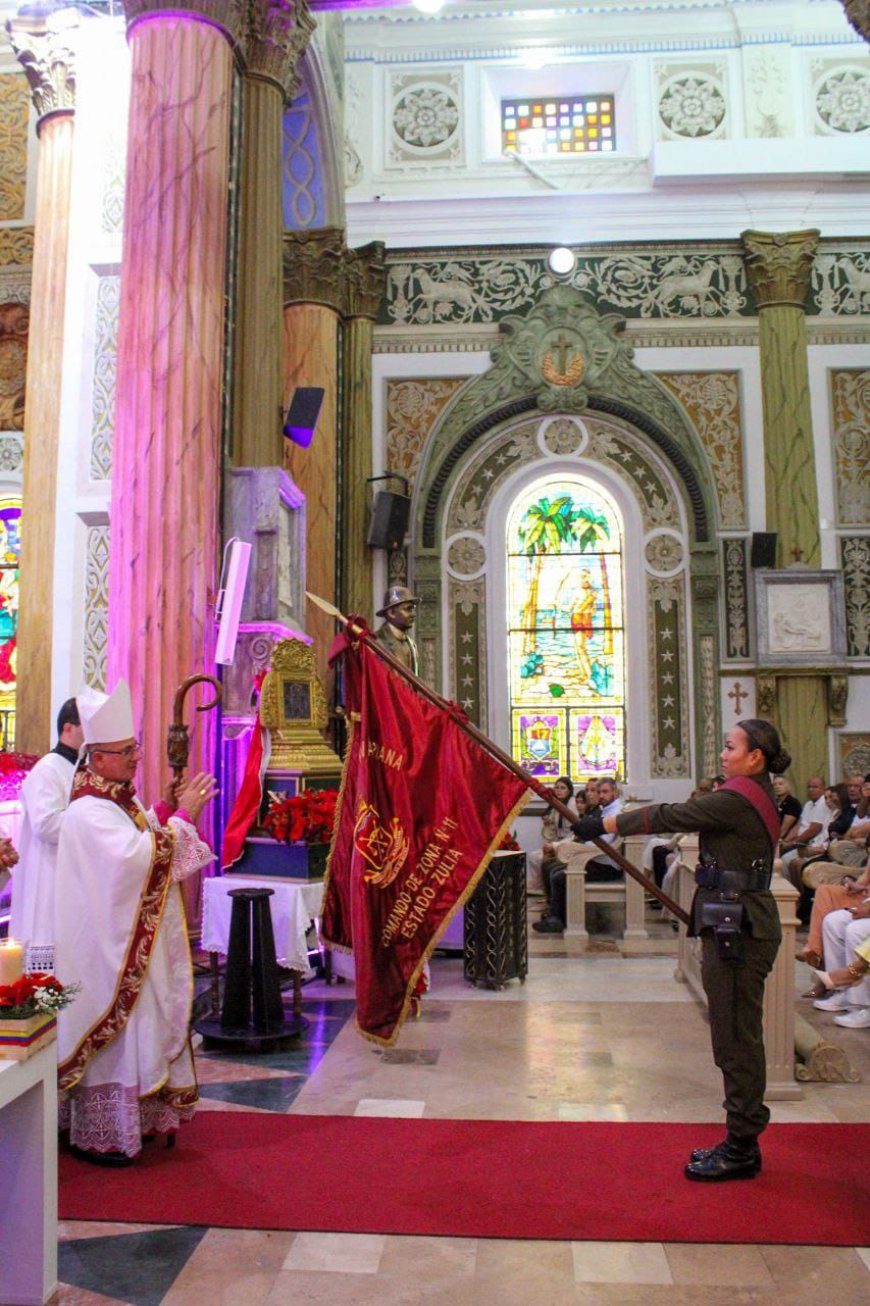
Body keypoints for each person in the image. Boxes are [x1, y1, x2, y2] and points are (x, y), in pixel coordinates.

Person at [573, 719, 788, 1182]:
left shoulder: (736, 798)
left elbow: (670, 814)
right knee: (735, 1033)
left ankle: (742, 1146)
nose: (724, 755)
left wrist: (605, 823)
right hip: (737, 919)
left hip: (741, 928)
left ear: (756, 757)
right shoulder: (753, 793)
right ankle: (741, 1136)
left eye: (731, 747)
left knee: (735, 1037)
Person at [55, 679, 218, 1166]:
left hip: (126, 945)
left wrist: (167, 810)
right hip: (107, 953)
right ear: (96, 758)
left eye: (134, 749)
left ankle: (138, 1118)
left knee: (141, 1029)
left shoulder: (115, 802)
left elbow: (143, 833)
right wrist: (184, 817)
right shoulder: (88, 812)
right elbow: (136, 860)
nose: (134, 758)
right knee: (121, 1036)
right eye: (125, 751)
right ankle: (102, 1134)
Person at [9, 697, 82, 967]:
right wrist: (93, 820)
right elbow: (47, 825)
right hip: (49, 876)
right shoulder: (48, 769)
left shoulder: (76, 768)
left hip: (72, 876)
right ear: (68, 728)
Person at [534, 777, 623, 934]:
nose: (601, 795)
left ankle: (559, 919)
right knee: (553, 867)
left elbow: (604, 844)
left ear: (615, 792)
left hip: (606, 865)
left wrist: (575, 849)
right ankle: (556, 915)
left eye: (605, 792)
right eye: (600, 792)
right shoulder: (607, 809)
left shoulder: (615, 812)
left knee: (559, 875)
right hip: (597, 859)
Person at [526, 776, 576, 899]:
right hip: (558, 841)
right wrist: (549, 822)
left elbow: (573, 832)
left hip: (569, 843)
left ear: (569, 791)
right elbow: (554, 829)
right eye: (557, 788)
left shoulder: (572, 804)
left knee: (540, 859)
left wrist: (555, 845)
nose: (559, 791)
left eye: (562, 788)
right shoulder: (556, 804)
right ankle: (540, 886)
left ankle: (543, 888)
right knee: (533, 856)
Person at [374, 585, 419, 674]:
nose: (414, 614)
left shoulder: (411, 644)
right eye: (408, 609)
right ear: (391, 613)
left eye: (413, 609)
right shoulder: (376, 642)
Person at [772, 775, 802, 844]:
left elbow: (784, 828)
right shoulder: (775, 802)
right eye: (774, 785)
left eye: (781, 784)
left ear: (788, 786)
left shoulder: (792, 803)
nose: (777, 787)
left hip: (787, 841)